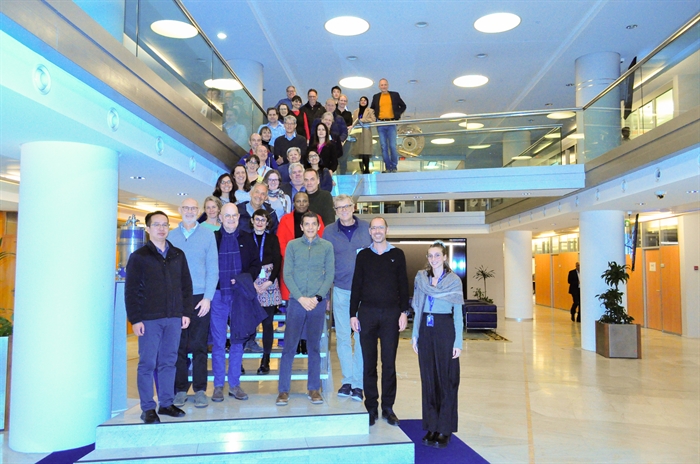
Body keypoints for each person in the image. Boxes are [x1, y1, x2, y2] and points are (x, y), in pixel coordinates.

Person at [125, 210, 192, 424]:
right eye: (156, 225)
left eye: (165, 224)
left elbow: (186, 286)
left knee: (168, 362)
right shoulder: (139, 257)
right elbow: (131, 290)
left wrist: (185, 313)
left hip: (173, 318)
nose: (161, 228)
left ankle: (166, 403)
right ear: (148, 229)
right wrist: (135, 319)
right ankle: (147, 408)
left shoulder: (178, 255)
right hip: (149, 319)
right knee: (147, 363)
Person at [349, 217, 409, 427]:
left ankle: (388, 408)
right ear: (369, 231)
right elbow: (356, 285)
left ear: (386, 230)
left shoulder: (397, 254)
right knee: (369, 364)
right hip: (367, 313)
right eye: (373, 228)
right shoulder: (363, 255)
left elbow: (403, 284)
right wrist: (353, 314)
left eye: (380, 228)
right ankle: (371, 407)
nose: (377, 231)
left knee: (389, 363)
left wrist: (404, 312)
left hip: (391, 314)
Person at [276, 211, 335, 406]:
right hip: (296, 302)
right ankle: (283, 390)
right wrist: (301, 298)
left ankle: (314, 388)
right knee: (289, 347)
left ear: (318, 226)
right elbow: (287, 274)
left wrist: (317, 298)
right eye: (306, 224)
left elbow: (329, 275)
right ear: (301, 227)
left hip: (317, 304)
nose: (310, 227)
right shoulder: (293, 246)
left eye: (313, 224)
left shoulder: (327, 247)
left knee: (314, 347)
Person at [411, 241, 464, 448]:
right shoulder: (421, 278)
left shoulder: (453, 281)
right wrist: (415, 335)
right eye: (430, 255)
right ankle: (432, 425)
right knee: (429, 379)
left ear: (444, 257)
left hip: (445, 330)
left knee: (447, 380)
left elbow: (457, 314)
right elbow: (418, 308)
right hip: (425, 328)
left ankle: (445, 428)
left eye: (437, 255)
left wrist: (458, 342)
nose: (433, 259)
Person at [209, 203, 264, 402]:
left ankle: (234, 384)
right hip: (218, 295)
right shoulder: (213, 239)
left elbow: (256, 265)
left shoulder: (247, 239)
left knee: (238, 340)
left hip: (240, 295)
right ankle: (218, 386)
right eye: (227, 215)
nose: (231, 219)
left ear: (239, 218)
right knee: (218, 342)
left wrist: (242, 278)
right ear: (220, 217)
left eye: (234, 216)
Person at [169, 199, 219, 409]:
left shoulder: (208, 235)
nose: (189, 211)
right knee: (178, 346)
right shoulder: (170, 236)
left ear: (198, 211)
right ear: (180, 210)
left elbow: (213, 269)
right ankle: (180, 389)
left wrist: (208, 297)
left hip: (200, 298)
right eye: (186, 208)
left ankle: (200, 390)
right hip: (177, 299)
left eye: (193, 208)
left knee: (199, 346)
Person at [323, 195, 372, 402]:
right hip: (341, 291)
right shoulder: (328, 232)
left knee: (361, 338)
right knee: (343, 337)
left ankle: (359, 384)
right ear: (335, 211)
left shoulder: (367, 228)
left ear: (354, 207)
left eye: (346, 206)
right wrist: (326, 294)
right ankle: (348, 381)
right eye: (339, 207)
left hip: (365, 293)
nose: (343, 210)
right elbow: (325, 264)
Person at [250, 209, 283, 375]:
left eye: (263, 220)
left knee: (268, 323)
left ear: (267, 222)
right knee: (248, 322)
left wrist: (269, 281)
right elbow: (243, 261)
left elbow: (278, 260)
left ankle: (266, 359)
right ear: (252, 221)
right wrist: (251, 283)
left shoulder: (272, 238)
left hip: (269, 282)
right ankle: (240, 360)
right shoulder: (246, 238)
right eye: (257, 219)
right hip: (251, 282)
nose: (260, 223)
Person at [370, 78, 406, 173]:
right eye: (382, 85)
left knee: (392, 146)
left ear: (388, 85)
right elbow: (372, 109)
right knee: (383, 146)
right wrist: (374, 119)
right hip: (380, 123)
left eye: (385, 84)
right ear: (379, 86)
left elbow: (403, 106)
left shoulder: (394, 95)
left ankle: (394, 166)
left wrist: (397, 115)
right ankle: (388, 167)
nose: (383, 86)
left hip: (391, 123)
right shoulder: (376, 97)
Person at [351, 96, 377, 174]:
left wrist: (363, 120)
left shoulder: (370, 111)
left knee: (366, 152)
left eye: (364, 100)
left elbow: (373, 120)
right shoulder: (355, 111)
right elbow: (353, 122)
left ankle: (367, 169)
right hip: (358, 133)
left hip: (366, 133)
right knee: (360, 152)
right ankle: (362, 169)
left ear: (367, 102)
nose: (363, 101)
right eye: (361, 100)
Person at [335, 94, 354, 174]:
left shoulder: (349, 114)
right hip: (335, 138)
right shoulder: (334, 112)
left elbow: (350, 125)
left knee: (344, 158)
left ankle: (343, 175)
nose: (343, 102)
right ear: (338, 101)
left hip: (346, 139)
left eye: (344, 101)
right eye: (341, 100)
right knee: (335, 158)